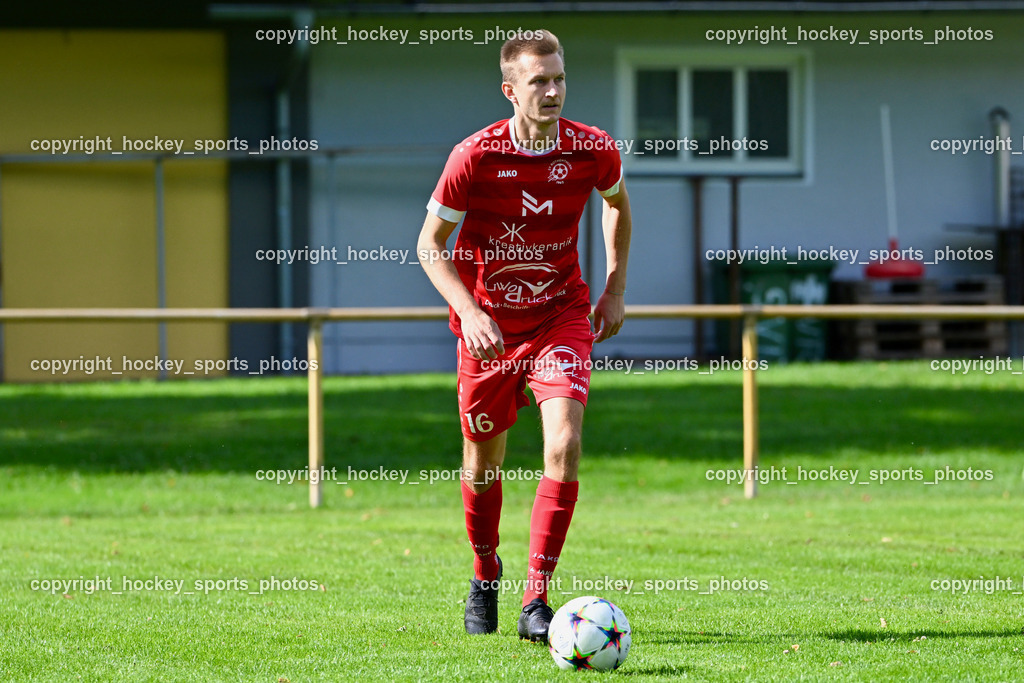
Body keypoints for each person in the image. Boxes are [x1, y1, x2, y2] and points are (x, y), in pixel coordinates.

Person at [417, 28, 632, 643]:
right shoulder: (474, 158)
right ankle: (486, 571)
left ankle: (536, 597)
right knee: (483, 464)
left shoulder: (591, 148)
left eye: (560, 78)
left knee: (563, 443)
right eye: (539, 81)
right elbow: (430, 249)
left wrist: (614, 288)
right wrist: (471, 311)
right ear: (510, 90)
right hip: (488, 331)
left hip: (560, 314)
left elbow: (617, 201)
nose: (554, 91)